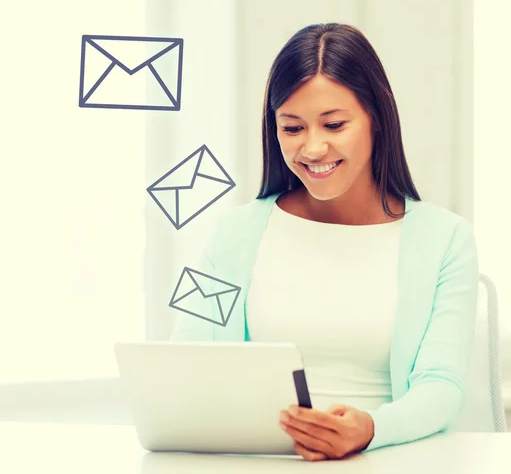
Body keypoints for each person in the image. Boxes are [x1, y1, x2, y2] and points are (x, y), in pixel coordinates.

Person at [171, 23, 479, 461]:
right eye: (292, 128)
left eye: (334, 124)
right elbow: (184, 361)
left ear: (377, 118)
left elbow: (442, 386)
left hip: (386, 459)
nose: (313, 148)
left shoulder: (446, 240)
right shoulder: (233, 234)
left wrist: (370, 429)